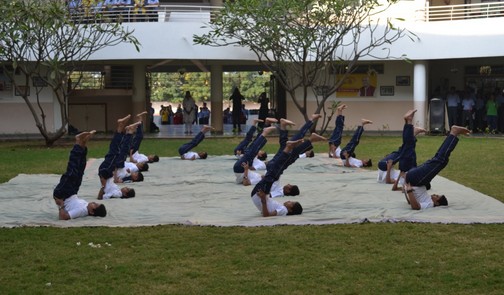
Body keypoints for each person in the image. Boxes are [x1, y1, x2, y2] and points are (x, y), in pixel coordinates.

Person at [250, 133, 326, 217]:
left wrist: (264, 200)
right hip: (262, 193)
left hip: (262, 192)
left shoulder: (284, 210)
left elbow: (266, 215)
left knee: (280, 164)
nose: (289, 201)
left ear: (290, 209)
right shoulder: (283, 209)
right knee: (284, 163)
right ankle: (292, 146)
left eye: (291, 203)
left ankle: (291, 147)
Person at [404, 119, 471, 210]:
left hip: (415, 180)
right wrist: (407, 190)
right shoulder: (426, 200)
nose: (435, 194)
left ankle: (454, 133)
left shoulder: (430, 204)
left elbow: (415, 207)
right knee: (438, 160)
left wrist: (409, 191)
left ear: (436, 203)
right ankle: (412, 134)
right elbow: (410, 201)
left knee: (440, 160)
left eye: (437, 196)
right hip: (414, 179)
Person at [53, 131, 107, 220]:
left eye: (95, 205)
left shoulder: (82, 211)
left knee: (73, 170)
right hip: (72, 192)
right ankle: (83, 144)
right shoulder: (87, 207)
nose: (94, 202)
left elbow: (63, 217)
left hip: (62, 194)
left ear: (92, 212)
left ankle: (78, 142)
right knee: (80, 170)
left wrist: (61, 205)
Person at [97, 115, 137, 200]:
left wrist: (103, 186)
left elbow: (103, 196)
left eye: (127, 189)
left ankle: (123, 128)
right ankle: (122, 128)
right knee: (116, 149)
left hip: (106, 172)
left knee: (116, 151)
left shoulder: (118, 194)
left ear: (126, 194)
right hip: (109, 171)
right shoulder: (118, 191)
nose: (126, 187)